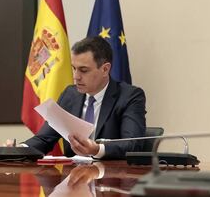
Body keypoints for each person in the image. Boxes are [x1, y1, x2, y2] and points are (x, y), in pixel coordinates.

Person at [12, 36, 146, 159]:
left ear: (105, 69)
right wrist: (18, 151)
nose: (76, 76)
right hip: (73, 178)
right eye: (74, 69)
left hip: (111, 180)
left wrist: (97, 150)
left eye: (83, 70)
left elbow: (133, 145)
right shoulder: (70, 94)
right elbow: (44, 139)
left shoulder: (129, 96)